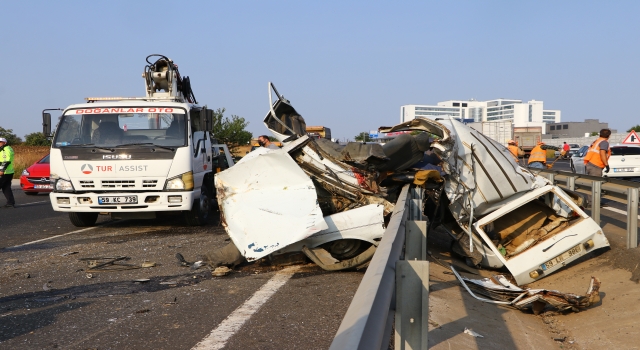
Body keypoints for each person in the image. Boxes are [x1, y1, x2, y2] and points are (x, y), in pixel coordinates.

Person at [0, 137, 16, 208]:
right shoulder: (8, 149)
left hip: (5, 172)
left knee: (6, 187)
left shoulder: (5, 149)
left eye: (0, 142)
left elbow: (6, 161)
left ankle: (10, 202)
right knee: (6, 188)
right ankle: (10, 203)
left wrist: (1, 170)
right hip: (9, 172)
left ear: (4, 143)